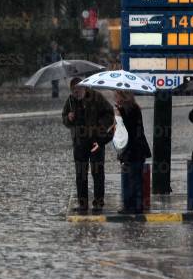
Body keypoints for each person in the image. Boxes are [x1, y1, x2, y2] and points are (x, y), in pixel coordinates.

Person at [62, 78, 115, 214]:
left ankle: (98, 202)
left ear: (84, 87)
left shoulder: (96, 97)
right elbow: (65, 120)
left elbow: (109, 112)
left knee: (97, 172)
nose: (76, 92)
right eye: (73, 90)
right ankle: (82, 204)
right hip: (79, 143)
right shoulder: (70, 101)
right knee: (80, 174)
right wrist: (69, 118)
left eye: (78, 89)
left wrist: (100, 127)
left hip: (95, 141)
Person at [114, 91, 152, 214]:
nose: (115, 97)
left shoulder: (132, 109)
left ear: (123, 96)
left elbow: (129, 128)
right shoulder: (128, 108)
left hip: (135, 150)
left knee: (134, 179)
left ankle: (135, 206)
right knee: (129, 179)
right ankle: (129, 205)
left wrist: (120, 115)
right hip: (130, 151)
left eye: (117, 95)